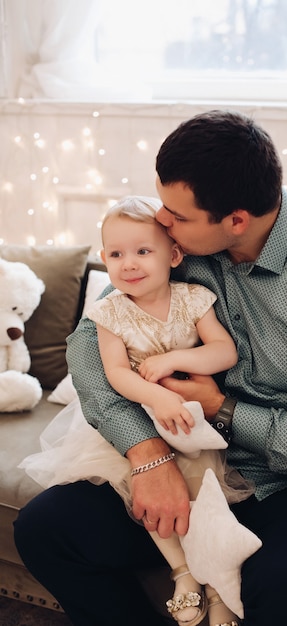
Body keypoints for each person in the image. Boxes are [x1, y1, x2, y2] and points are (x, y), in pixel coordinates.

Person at [14, 109, 287, 626]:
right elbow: (90, 341)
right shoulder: (177, 246)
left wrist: (221, 408)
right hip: (181, 453)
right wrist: (147, 453)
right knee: (47, 530)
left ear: (235, 221)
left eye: (177, 214)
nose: (162, 219)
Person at [19, 195, 254, 626]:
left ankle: (219, 586)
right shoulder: (109, 311)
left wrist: (173, 364)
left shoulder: (193, 299)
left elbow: (224, 352)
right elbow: (115, 374)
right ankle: (182, 572)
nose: (128, 264)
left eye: (143, 251)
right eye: (115, 254)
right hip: (142, 419)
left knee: (206, 500)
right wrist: (158, 397)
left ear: (174, 255)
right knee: (145, 493)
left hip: (192, 422)